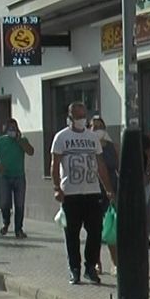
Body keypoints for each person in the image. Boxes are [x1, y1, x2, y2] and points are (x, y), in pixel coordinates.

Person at [51, 102, 115, 285]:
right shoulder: (61, 138)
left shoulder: (92, 137)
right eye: (77, 116)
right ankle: (75, 269)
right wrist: (57, 188)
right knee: (72, 234)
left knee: (95, 232)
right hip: (70, 194)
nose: (81, 119)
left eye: (83, 116)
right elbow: (54, 165)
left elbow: (100, 165)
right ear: (70, 117)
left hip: (92, 192)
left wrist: (109, 189)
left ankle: (90, 267)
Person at [0, 119, 34, 238]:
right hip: (5, 177)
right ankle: (6, 223)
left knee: (19, 204)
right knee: (5, 203)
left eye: (14, 128)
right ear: (6, 129)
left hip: (19, 176)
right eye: (10, 128)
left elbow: (31, 151)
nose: (12, 131)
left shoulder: (22, 140)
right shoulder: (1, 141)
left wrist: (20, 140)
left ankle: (19, 229)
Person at [90, 116, 119, 274]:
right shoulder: (89, 147)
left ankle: (115, 263)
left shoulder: (113, 147)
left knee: (111, 228)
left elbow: (119, 167)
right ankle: (96, 262)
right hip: (93, 190)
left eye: (100, 126)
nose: (97, 130)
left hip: (111, 191)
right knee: (95, 229)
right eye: (94, 127)